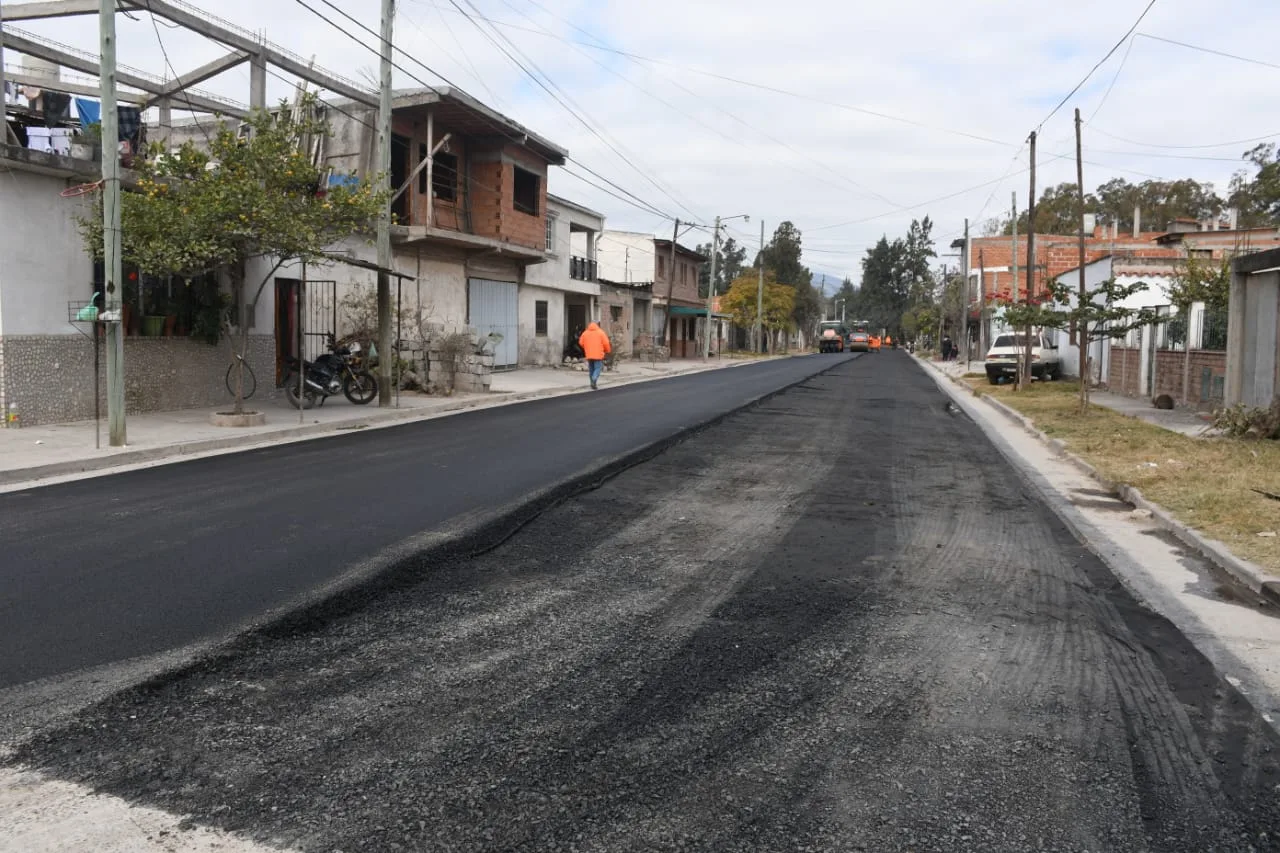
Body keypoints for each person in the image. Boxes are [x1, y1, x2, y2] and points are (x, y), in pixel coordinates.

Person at [578, 321, 612, 390]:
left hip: (589, 354)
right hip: (598, 354)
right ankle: (594, 379)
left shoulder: (585, 333)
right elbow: (606, 343)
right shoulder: (601, 333)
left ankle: (592, 383)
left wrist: (586, 347)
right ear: (597, 325)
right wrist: (607, 350)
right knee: (598, 368)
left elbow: (581, 342)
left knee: (591, 369)